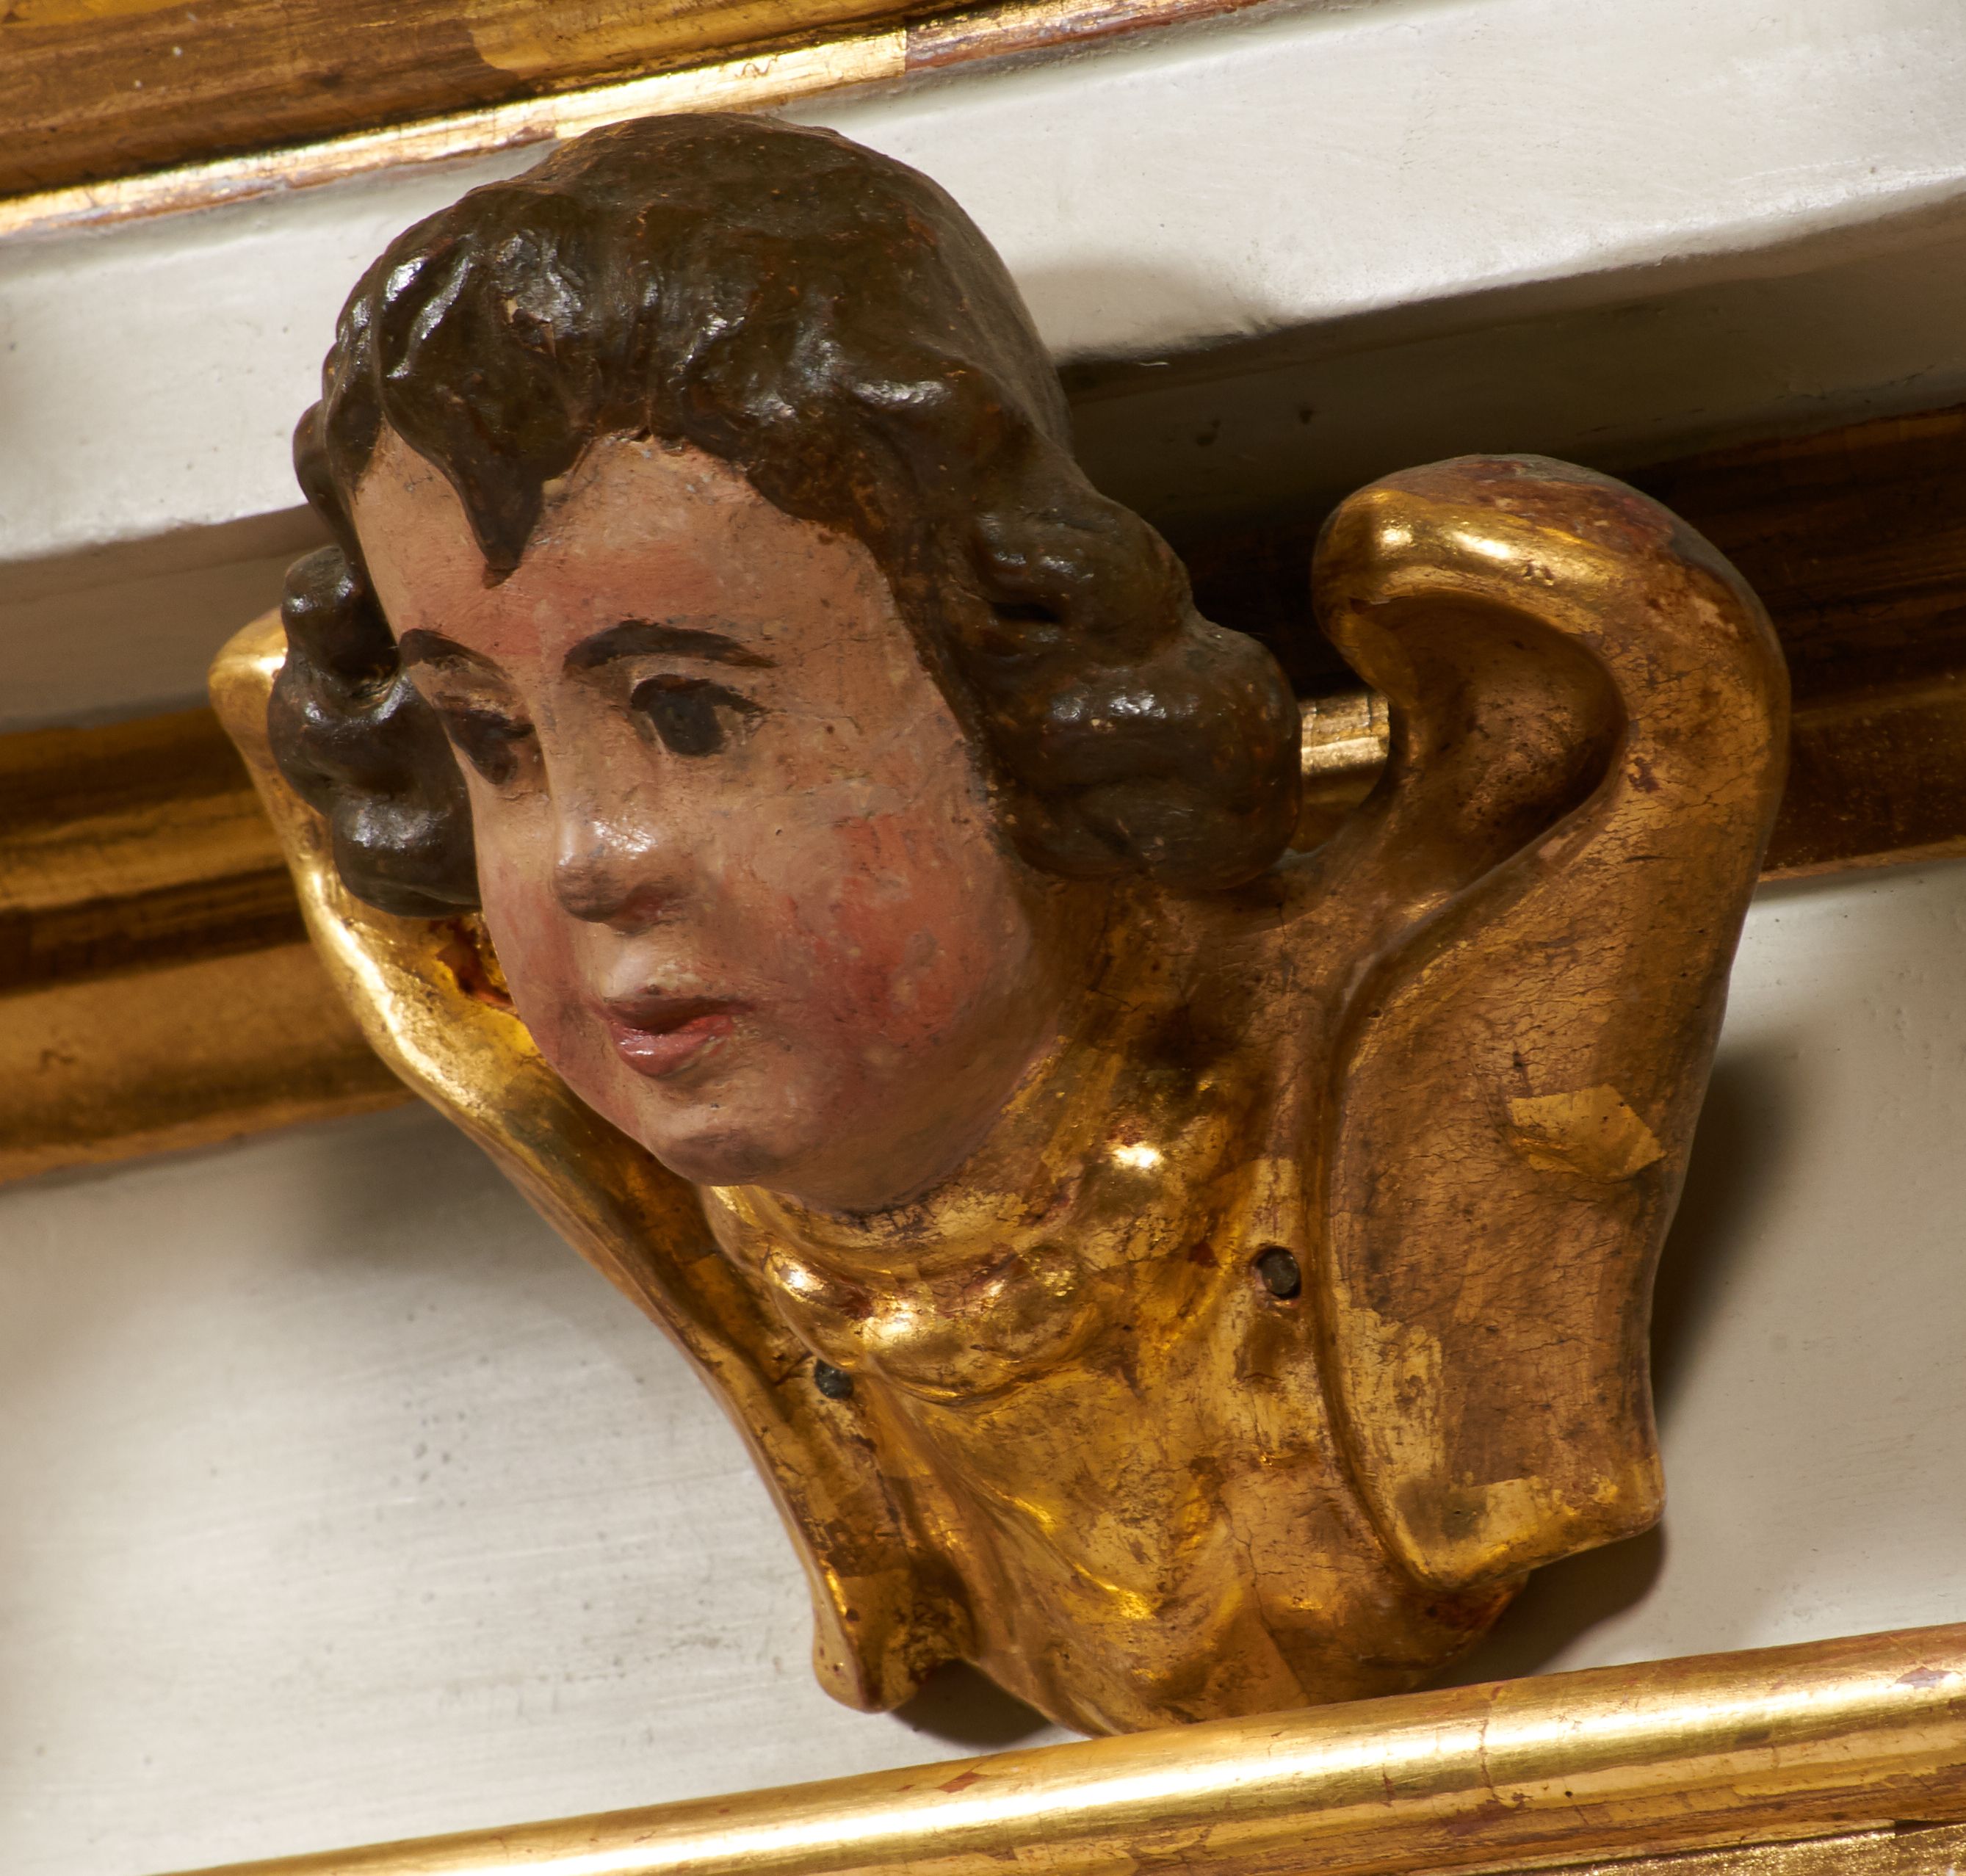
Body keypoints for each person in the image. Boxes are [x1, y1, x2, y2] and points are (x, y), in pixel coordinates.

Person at [247, 112, 1788, 1732]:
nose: (589, 857)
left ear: (1013, 689)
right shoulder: (739, 1218)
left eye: (692, 714)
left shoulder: (1353, 1119)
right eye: (491, 741)